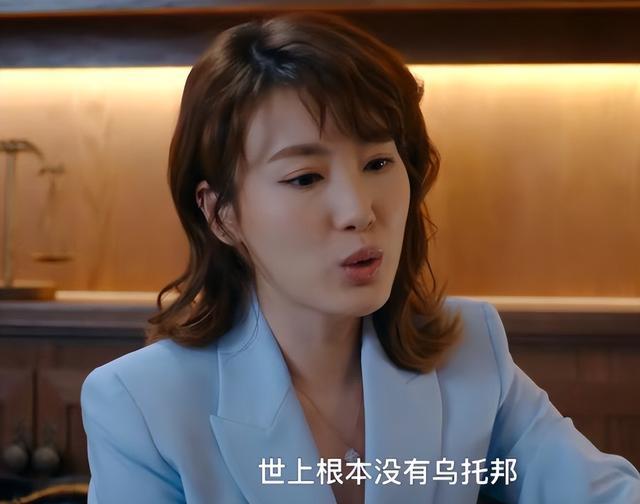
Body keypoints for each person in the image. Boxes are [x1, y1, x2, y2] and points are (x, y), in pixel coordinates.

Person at [80, 11, 640, 504]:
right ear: (222, 213)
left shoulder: (471, 350)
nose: (358, 211)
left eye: (378, 164)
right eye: (305, 177)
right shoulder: (142, 403)